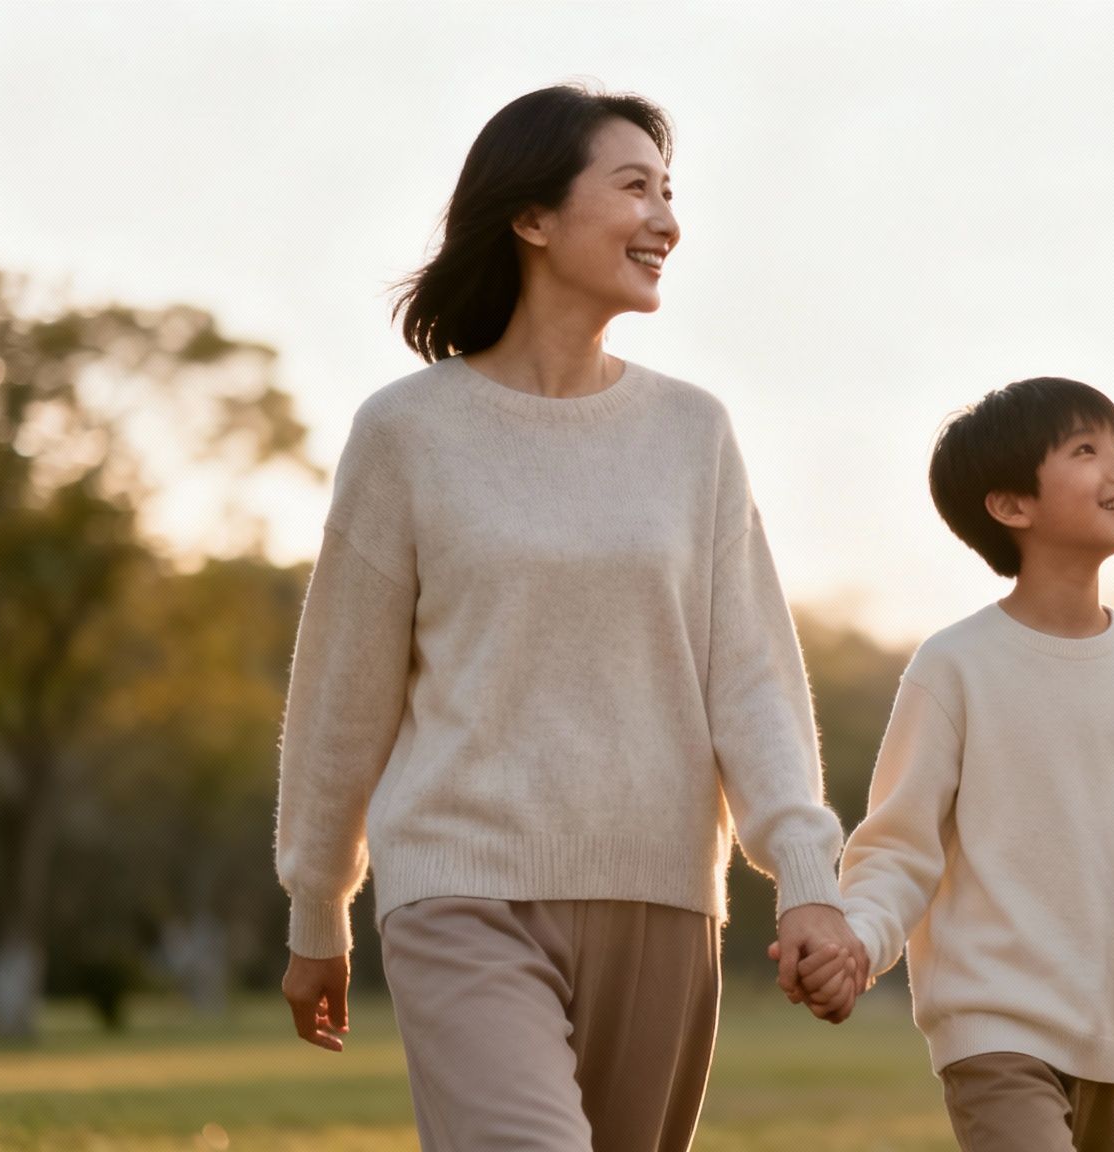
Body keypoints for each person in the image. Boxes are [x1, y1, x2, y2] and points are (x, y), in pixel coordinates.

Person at [273, 83, 861, 1152]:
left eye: (670, 192)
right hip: (460, 889)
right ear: (531, 216)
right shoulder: (408, 434)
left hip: (663, 897)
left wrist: (810, 879)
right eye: (633, 187)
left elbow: (751, 682)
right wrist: (319, 905)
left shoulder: (692, 433)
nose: (666, 221)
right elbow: (340, 696)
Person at [786, 377, 1114, 1151]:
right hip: (993, 1026)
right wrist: (859, 942)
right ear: (1011, 506)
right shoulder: (954, 666)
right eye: (1086, 450)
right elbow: (898, 846)